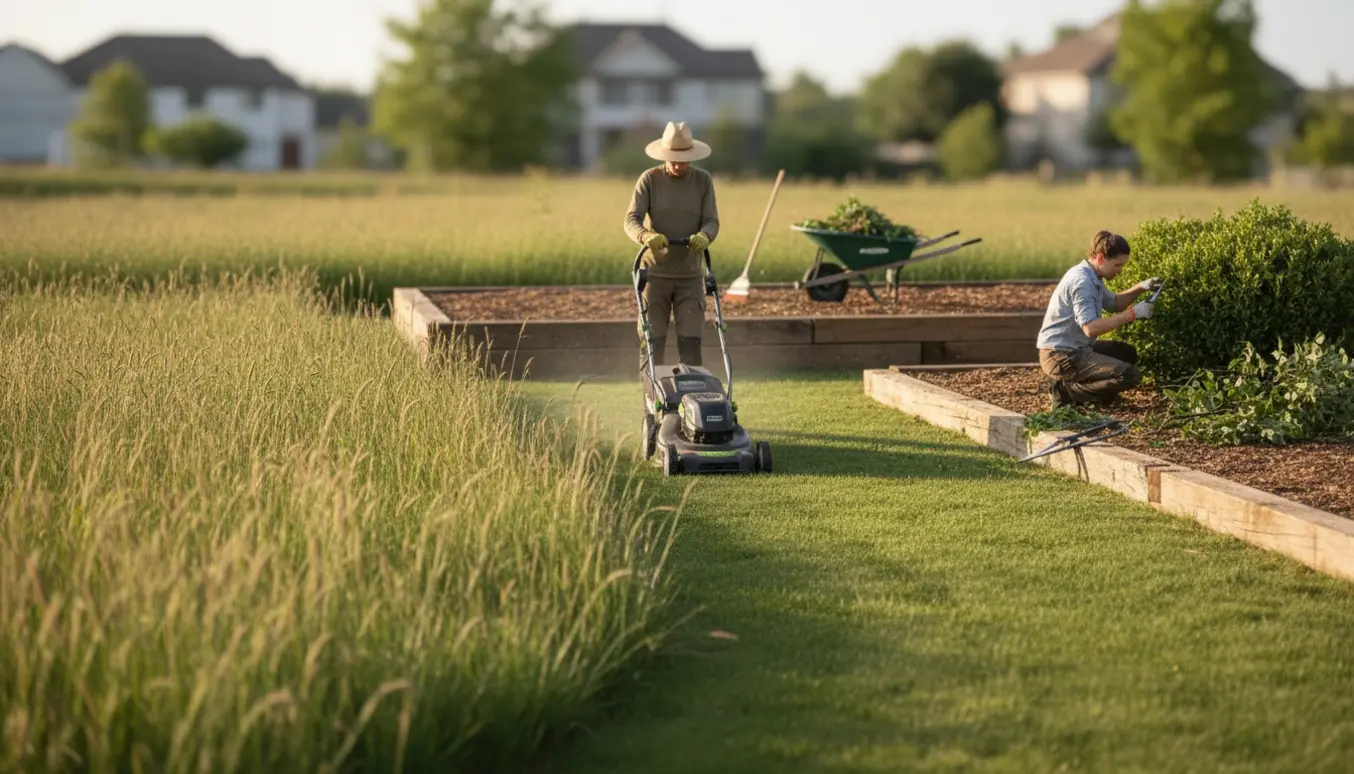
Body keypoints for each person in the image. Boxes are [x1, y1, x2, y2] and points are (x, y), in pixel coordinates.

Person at [623, 121, 720, 371]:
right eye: (672, 160)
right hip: (655, 274)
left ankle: (688, 398)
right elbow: (631, 219)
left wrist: (705, 235)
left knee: (690, 341)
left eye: (683, 160)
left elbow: (711, 220)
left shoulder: (702, 181)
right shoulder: (649, 179)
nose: (678, 165)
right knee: (652, 340)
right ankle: (652, 400)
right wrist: (645, 236)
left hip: (689, 275)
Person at [1036, 230, 1161, 407]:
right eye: (1118, 265)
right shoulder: (1082, 282)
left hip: (1075, 349)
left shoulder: (1092, 275)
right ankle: (1068, 393)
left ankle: (1097, 400)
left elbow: (1114, 303)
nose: (1120, 271)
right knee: (1129, 375)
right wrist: (1133, 314)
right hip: (1061, 356)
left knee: (1125, 353)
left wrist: (1141, 287)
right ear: (1101, 258)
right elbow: (1091, 328)